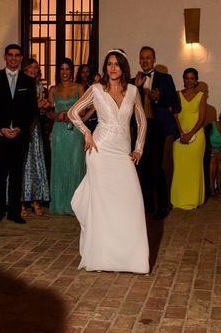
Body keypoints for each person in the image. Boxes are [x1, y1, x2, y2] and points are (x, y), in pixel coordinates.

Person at [68, 49, 149, 273]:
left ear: (124, 67)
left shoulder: (133, 90)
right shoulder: (95, 89)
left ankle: (131, 259)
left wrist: (138, 148)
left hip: (123, 154)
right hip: (100, 151)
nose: (113, 68)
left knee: (130, 202)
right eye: (109, 64)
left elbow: (142, 121)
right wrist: (86, 132)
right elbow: (73, 112)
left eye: (117, 64)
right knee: (102, 206)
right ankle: (103, 257)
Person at [0, 44, 37, 225]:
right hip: (0, 134)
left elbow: (32, 110)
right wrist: (1, 127)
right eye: (10, 55)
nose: (14, 58)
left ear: (21, 58)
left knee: (16, 174)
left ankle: (14, 212)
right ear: (5, 57)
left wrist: (20, 128)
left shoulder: (28, 81)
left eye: (17, 55)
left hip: (19, 135)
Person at [133, 46, 178, 219]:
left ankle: (163, 206)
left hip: (157, 126)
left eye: (148, 58)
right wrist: (137, 88)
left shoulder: (165, 78)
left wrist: (159, 98)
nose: (145, 60)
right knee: (142, 167)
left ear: (154, 60)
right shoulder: (133, 80)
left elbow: (174, 100)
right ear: (139, 60)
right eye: (142, 58)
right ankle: (147, 205)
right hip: (139, 127)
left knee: (157, 166)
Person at [47, 57, 85, 215]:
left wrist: (71, 114)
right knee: (60, 165)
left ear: (72, 71)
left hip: (75, 131)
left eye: (67, 69)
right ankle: (60, 204)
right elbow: (48, 112)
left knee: (76, 165)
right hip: (59, 133)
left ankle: (76, 205)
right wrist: (57, 116)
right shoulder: (53, 90)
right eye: (61, 69)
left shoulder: (79, 88)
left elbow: (83, 110)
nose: (64, 72)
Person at [171, 68, 207, 209]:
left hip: (197, 135)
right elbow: (175, 115)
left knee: (194, 169)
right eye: (186, 78)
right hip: (179, 135)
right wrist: (181, 133)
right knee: (180, 168)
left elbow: (202, 118)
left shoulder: (201, 95)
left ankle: (193, 199)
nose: (189, 81)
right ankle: (178, 200)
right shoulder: (177, 94)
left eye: (192, 78)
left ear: (196, 80)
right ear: (183, 79)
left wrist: (191, 133)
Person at [21, 58, 50, 216]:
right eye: (30, 67)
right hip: (22, 127)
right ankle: (21, 202)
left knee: (36, 162)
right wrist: (35, 106)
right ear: (24, 69)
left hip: (35, 128)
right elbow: (18, 108)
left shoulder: (39, 86)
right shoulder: (19, 85)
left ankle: (36, 200)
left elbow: (40, 113)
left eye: (36, 68)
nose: (33, 70)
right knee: (23, 163)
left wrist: (44, 106)